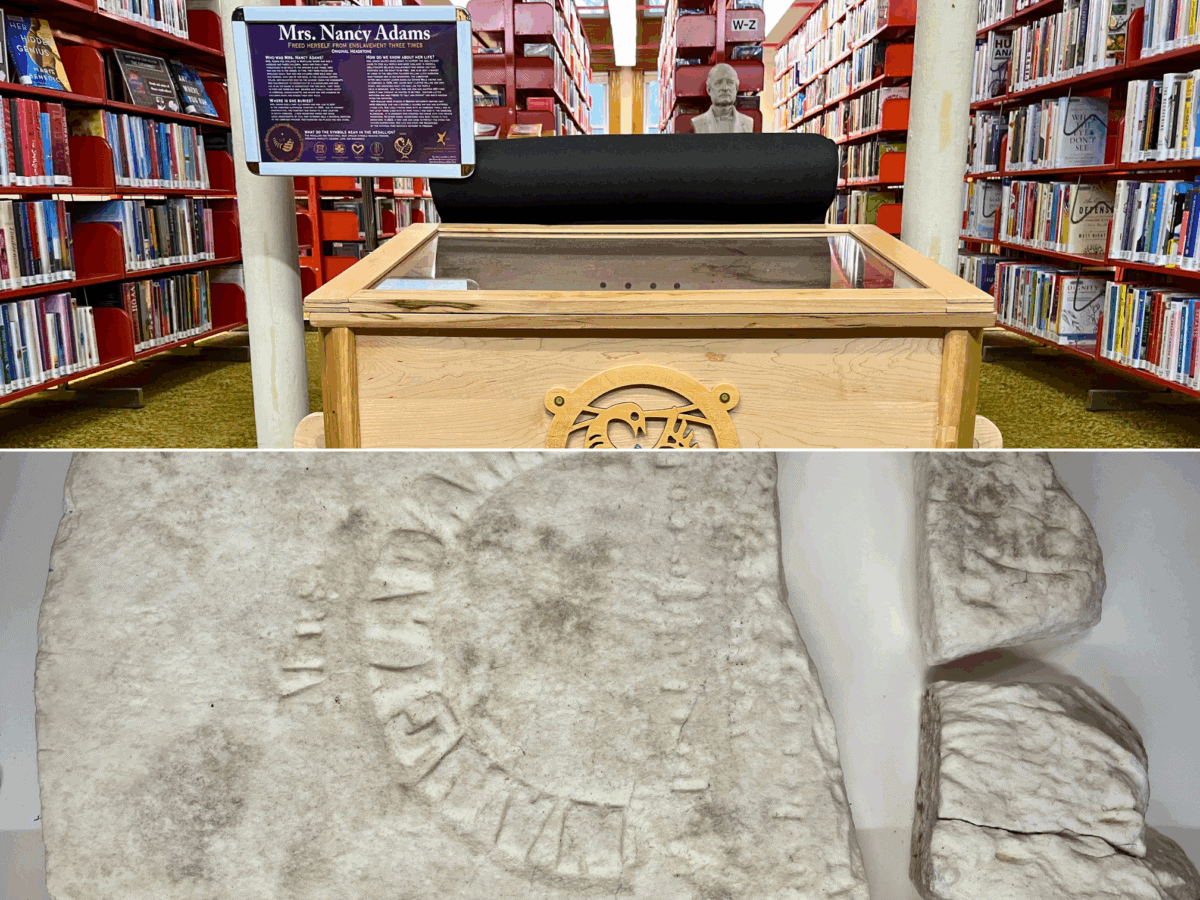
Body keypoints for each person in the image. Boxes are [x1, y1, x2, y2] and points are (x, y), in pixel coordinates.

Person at [689, 63, 754, 134]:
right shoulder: (698, 122)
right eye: (718, 83)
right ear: (709, 90)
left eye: (730, 83)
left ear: (736, 88)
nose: (725, 88)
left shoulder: (747, 122)